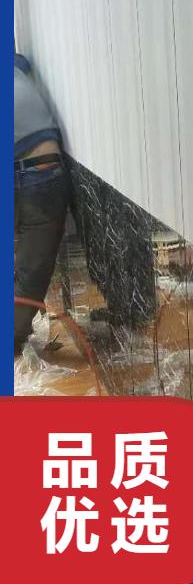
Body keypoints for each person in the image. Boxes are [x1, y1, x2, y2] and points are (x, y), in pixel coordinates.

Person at [13, 52, 71, 356]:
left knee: (27, 276)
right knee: (30, 277)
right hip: (42, 169)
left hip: (37, 173)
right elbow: (21, 59)